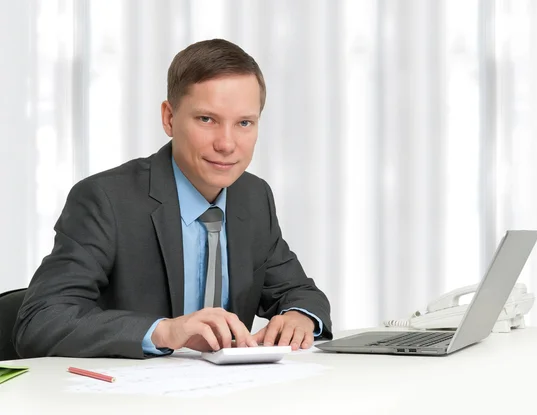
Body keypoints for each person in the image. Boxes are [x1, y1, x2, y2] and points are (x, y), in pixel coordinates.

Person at [13, 39, 332, 359]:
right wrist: (164, 331)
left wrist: (299, 317)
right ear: (169, 118)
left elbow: (300, 292)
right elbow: (41, 321)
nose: (227, 143)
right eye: (207, 119)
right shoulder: (106, 200)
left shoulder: (253, 196)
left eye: (244, 123)